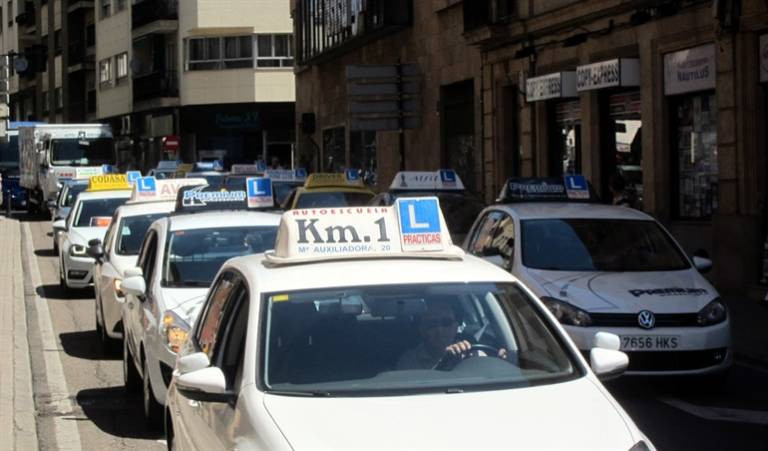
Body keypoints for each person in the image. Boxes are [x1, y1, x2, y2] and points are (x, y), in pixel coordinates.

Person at [396, 301, 506, 370]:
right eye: (432, 324)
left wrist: (500, 363)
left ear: (455, 327)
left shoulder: (473, 353)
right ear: (422, 330)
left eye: (446, 323)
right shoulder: (409, 360)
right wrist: (447, 360)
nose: (440, 330)